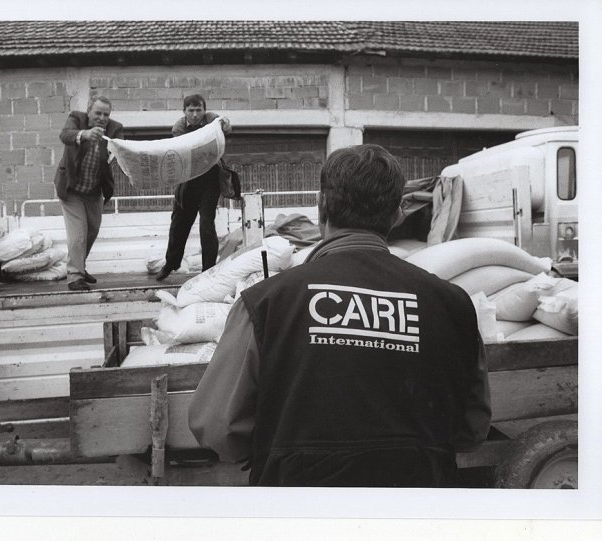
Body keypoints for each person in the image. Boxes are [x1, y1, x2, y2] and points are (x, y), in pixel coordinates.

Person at [188, 144, 491, 487]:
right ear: (397, 215)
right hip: (417, 514)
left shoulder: (265, 304)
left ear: (321, 208)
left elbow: (218, 432)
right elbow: (471, 431)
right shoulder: (453, 307)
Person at [156, 94, 232, 281]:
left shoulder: (212, 119)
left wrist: (226, 124)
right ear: (184, 112)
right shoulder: (179, 127)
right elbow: (185, 147)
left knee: (207, 224)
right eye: (191, 110)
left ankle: (208, 270)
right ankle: (171, 263)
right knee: (178, 224)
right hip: (188, 181)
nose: (195, 114)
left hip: (209, 181)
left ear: (204, 110)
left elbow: (225, 125)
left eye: (199, 110)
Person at [54, 96, 123, 291]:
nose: (102, 118)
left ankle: (79, 268)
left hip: (94, 191)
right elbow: (65, 135)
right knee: (78, 235)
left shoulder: (115, 128)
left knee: (92, 231)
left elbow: (120, 147)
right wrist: (85, 134)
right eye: (98, 113)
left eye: (106, 114)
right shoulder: (76, 118)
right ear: (88, 111)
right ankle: (75, 276)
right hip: (71, 189)